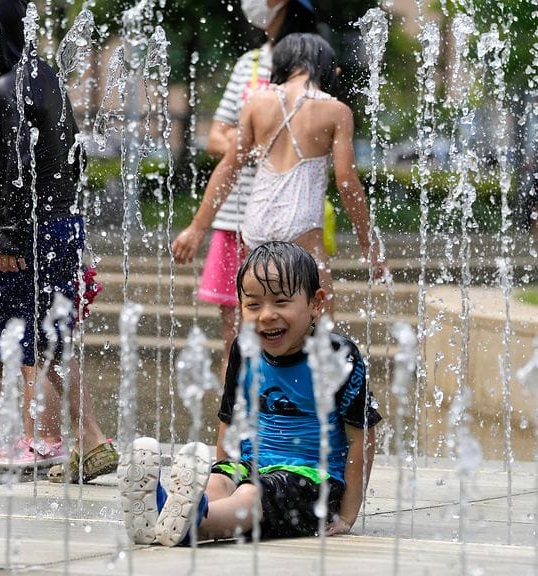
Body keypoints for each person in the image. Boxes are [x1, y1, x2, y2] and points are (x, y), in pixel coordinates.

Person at [0, 0, 116, 483]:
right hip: (62, 227)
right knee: (48, 342)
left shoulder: (3, 89)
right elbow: (73, 158)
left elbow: (13, 173)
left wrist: (11, 240)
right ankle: (93, 439)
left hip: (29, 236)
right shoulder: (47, 76)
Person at [119, 241, 382, 546]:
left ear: (315, 303)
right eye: (253, 305)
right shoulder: (245, 350)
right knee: (220, 482)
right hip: (251, 463)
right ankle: (168, 514)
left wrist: (347, 514)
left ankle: (188, 521)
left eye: (281, 302)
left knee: (249, 493)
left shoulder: (337, 356)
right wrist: (222, 470)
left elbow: (361, 437)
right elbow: (230, 422)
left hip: (311, 479)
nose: (266, 315)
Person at [172, 34, 385, 316]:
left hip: (256, 222)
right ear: (326, 67)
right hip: (303, 226)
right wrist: (368, 242)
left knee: (260, 322)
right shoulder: (336, 111)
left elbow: (228, 168)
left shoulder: (257, 103)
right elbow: (346, 183)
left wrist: (197, 228)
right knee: (320, 324)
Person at [202, 0, 317, 387]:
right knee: (235, 335)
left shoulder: (312, 66)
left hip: (289, 220)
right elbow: (216, 137)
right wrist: (259, 138)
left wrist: (254, 134)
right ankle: (233, 426)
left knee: (296, 336)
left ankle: (284, 424)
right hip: (236, 216)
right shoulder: (248, 64)